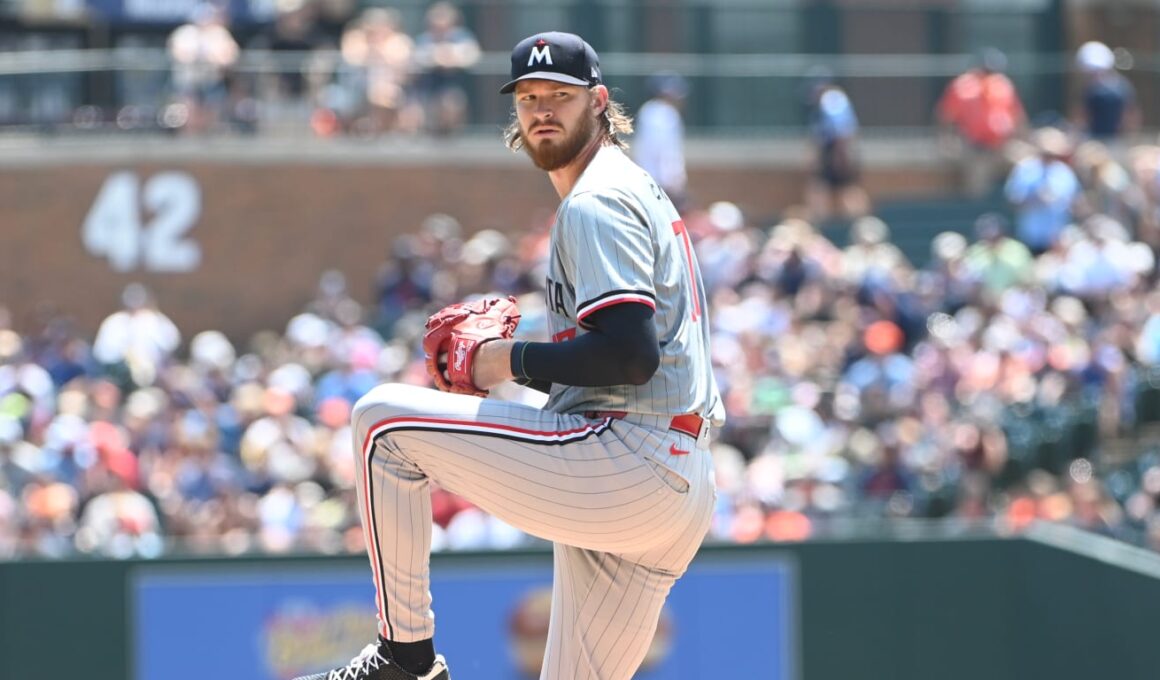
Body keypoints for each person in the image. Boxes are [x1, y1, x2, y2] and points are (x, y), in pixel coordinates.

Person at [296, 31, 721, 680]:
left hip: (632, 460)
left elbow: (630, 356)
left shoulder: (598, 197)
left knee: (383, 426)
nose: (542, 109)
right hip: (672, 483)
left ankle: (402, 657)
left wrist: (500, 360)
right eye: (528, 97)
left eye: (560, 96)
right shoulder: (626, 187)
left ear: (600, 102)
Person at [936, 47, 1027, 197]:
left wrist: (1023, 138)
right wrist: (946, 141)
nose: (989, 74)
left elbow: (1018, 116)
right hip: (976, 148)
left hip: (1002, 145)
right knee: (977, 187)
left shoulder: (1003, 84)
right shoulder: (963, 86)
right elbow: (945, 116)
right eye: (987, 70)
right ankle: (980, 215)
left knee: (1028, 163)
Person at [803, 68, 870, 222]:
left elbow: (842, 132)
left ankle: (860, 222)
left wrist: (840, 156)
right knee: (821, 188)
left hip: (837, 151)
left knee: (846, 189)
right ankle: (825, 223)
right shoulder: (825, 102)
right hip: (834, 151)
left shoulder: (832, 100)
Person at [410, 2, 480, 135]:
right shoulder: (424, 39)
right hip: (427, 86)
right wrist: (438, 57)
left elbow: (472, 57)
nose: (440, 27)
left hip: (456, 84)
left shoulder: (462, 37)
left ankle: (451, 135)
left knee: (452, 103)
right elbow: (417, 59)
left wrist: (447, 57)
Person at [633, 71, 690, 210]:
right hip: (661, 185)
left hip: (646, 182)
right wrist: (673, 183)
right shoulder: (664, 113)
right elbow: (666, 153)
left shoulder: (648, 110)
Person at [1074, 41, 1139, 147]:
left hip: (1110, 141)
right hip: (1100, 141)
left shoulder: (1119, 88)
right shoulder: (1122, 86)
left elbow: (1130, 115)